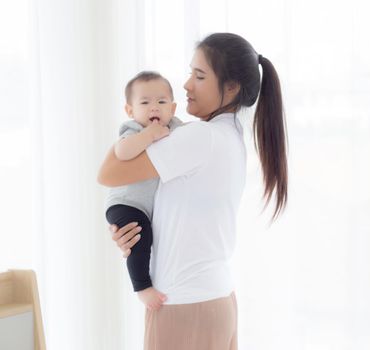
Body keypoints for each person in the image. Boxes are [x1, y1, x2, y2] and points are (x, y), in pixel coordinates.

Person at [98, 32, 288, 350]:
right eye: (190, 73)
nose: (186, 85)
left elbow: (108, 173)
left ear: (232, 88)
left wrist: (132, 126)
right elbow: (178, 211)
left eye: (199, 76)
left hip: (184, 305)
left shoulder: (200, 137)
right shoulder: (229, 136)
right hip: (216, 300)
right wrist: (133, 230)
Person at [104, 71, 182, 310]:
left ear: (173, 107)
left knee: (145, 235)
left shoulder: (177, 128)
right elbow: (122, 153)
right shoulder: (133, 130)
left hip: (146, 206)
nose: (154, 108)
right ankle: (142, 287)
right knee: (139, 236)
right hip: (126, 203)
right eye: (145, 103)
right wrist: (148, 135)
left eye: (161, 102)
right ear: (130, 111)